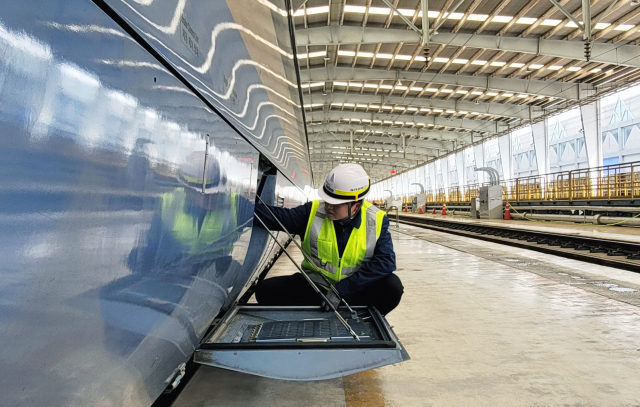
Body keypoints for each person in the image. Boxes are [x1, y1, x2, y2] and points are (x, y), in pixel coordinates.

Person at [253, 163, 403, 315]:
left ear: (356, 206)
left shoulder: (375, 220)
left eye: (336, 204)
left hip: (353, 290)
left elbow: (385, 262)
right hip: (316, 288)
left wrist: (342, 289)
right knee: (265, 290)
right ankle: (325, 309)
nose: (329, 207)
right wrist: (241, 206)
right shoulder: (310, 212)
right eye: (327, 201)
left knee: (392, 287)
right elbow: (276, 217)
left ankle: (360, 317)